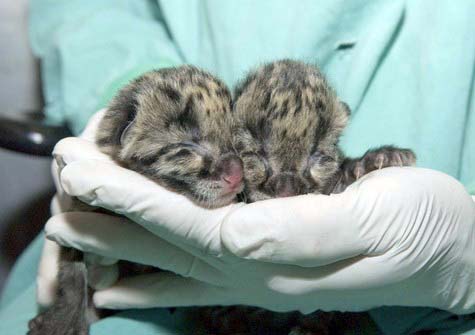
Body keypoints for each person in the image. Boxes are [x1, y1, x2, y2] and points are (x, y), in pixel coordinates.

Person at [1, 1, 474, 334]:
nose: (286, 187)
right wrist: (133, 88)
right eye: (257, 154)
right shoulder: (214, 136)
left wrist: (466, 255)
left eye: (315, 157)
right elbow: (88, 11)